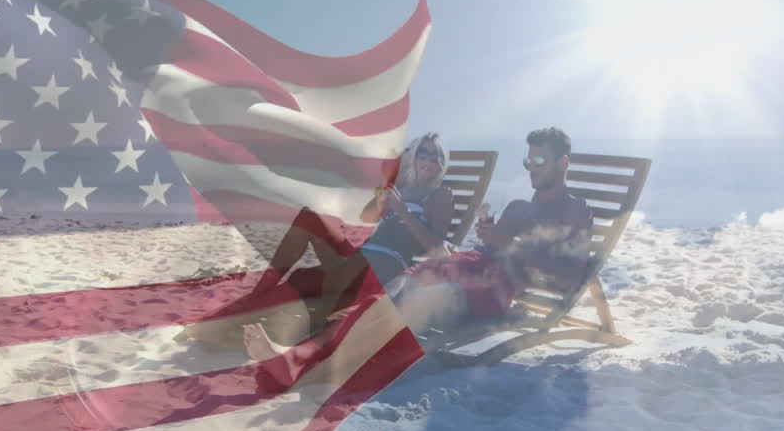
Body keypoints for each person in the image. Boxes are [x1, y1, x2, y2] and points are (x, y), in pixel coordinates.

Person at [243, 126, 593, 361]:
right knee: (390, 294)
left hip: (487, 292)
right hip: (461, 269)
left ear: (563, 163)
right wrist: (486, 238)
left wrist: (509, 245)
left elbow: (569, 279)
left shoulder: (575, 210)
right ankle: (301, 347)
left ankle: (297, 360)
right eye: (528, 160)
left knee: (406, 304)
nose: (531, 167)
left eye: (539, 160)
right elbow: (492, 250)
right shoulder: (517, 207)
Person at [180, 132, 454, 344]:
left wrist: (403, 211)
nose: (429, 160)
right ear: (415, 157)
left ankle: (251, 319)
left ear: (442, 164)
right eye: (424, 153)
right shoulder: (399, 188)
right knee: (310, 218)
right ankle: (258, 294)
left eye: (436, 156)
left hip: (386, 266)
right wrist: (379, 203)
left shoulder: (440, 195)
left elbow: (437, 248)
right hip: (360, 255)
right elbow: (367, 217)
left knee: (310, 283)